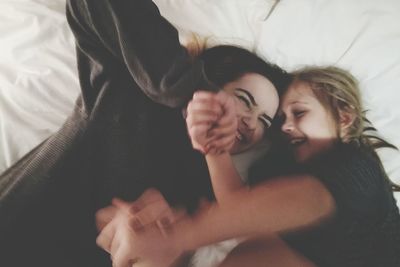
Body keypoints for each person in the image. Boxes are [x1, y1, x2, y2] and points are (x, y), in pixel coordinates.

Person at [0, 0, 289, 266]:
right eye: (245, 100)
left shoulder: (210, 194)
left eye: (264, 120)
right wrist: (190, 90)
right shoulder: (130, 92)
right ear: (214, 81)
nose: (251, 123)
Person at [97, 66, 400, 267]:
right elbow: (241, 209)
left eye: (300, 112)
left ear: (344, 118)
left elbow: (305, 201)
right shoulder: (281, 174)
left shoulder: (361, 169)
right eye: (280, 120)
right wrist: (214, 149)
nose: (286, 127)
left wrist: (179, 235)